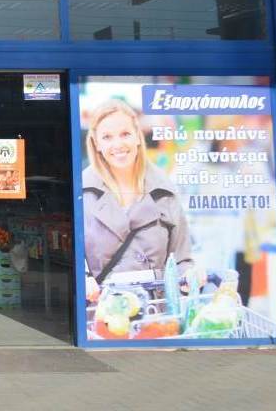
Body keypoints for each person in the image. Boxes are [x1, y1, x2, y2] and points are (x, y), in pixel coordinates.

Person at [82, 98, 196, 302]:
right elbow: (67, 258)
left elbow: (182, 260)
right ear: (96, 143)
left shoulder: (164, 189)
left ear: (137, 136)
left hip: (156, 311)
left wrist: (189, 276)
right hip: (101, 312)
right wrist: (82, 279)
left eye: (125, 134)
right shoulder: (82, 192)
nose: (118, 144)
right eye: (107, 137)